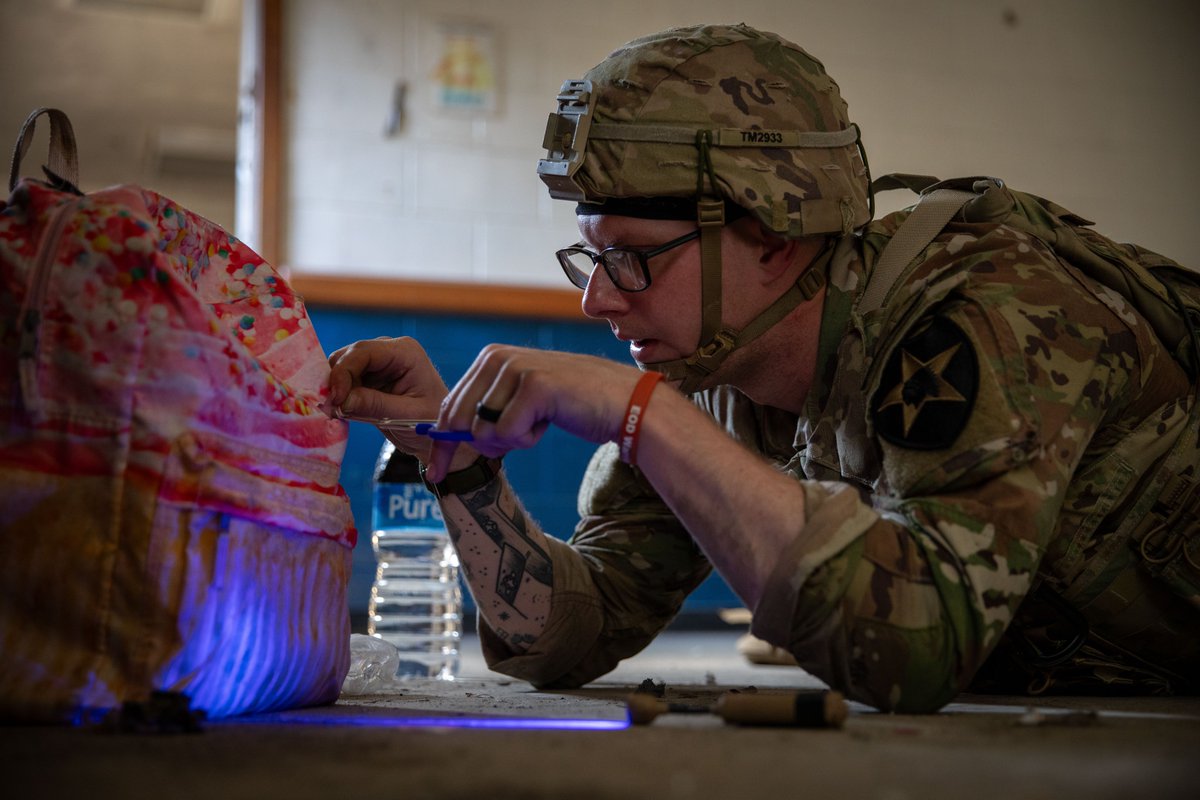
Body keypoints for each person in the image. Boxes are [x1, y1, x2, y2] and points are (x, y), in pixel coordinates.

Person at [327, 23, 1199, 712]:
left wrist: (645, 416)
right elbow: (568, 636)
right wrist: (461, 466)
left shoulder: (992, 318)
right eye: (588, 256)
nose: (596, 300)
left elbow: (916, 652)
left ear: (775, 238)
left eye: (633, 256)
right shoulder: (709, 371)